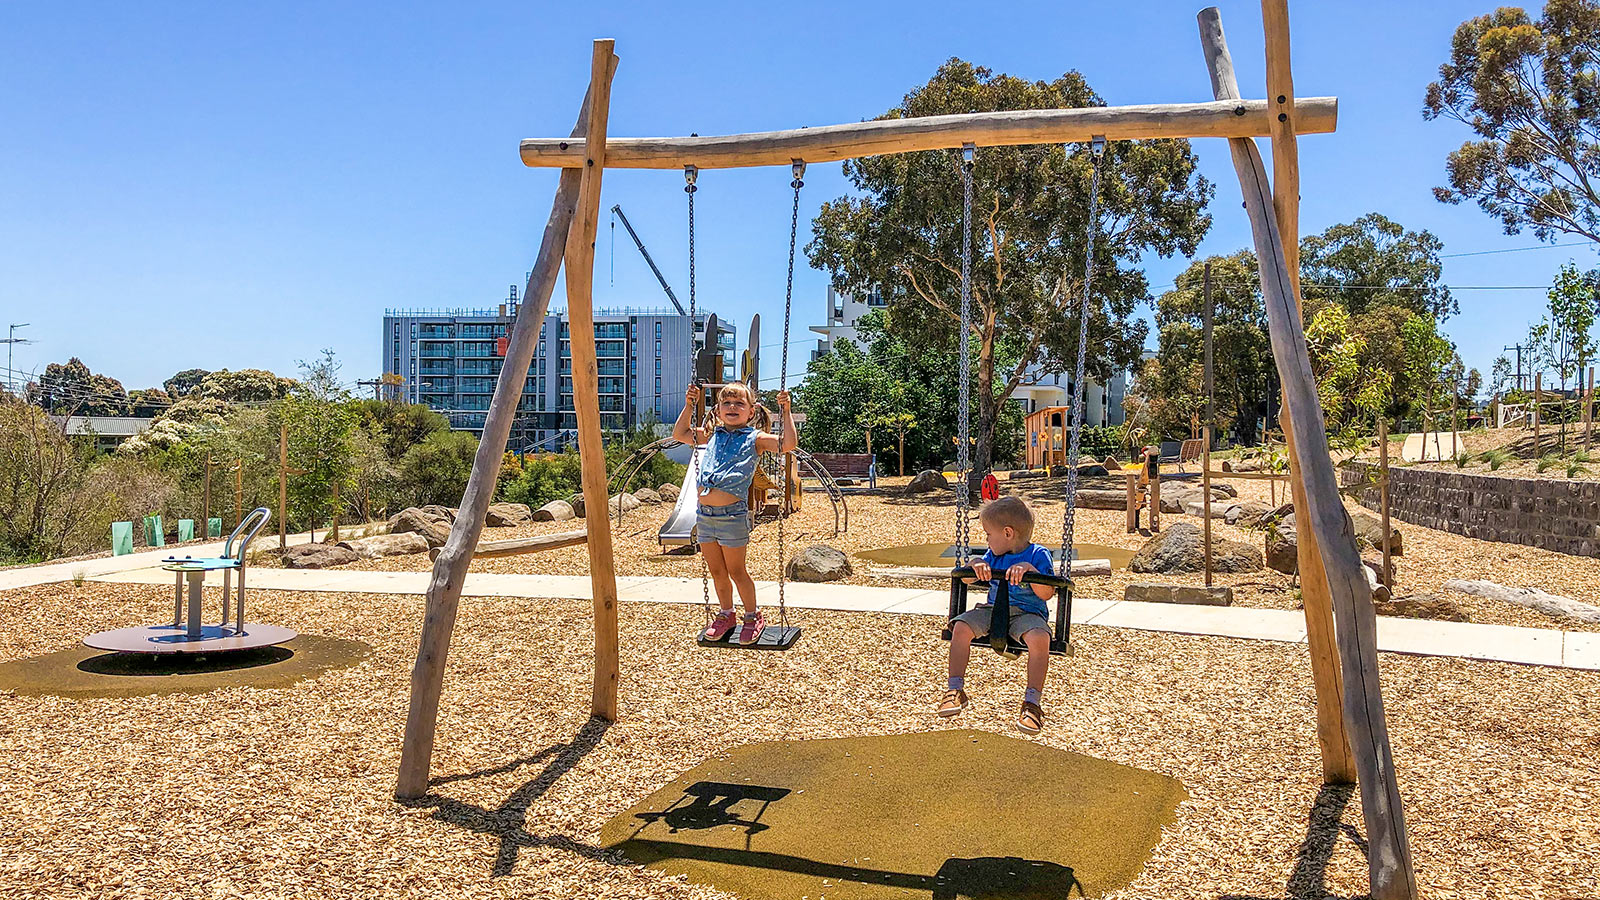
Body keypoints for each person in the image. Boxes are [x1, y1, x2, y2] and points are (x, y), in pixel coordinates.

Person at [672, 381, 797, 644]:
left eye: (739, 403)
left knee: (736, 570)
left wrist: (785, 411)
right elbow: (680, 432)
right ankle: (726, 614)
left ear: (751, 412)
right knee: (717, 571)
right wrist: (689, 404)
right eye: (726, 403)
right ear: (718, 410)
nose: (732, 407)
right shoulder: (712, 435)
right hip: (705, 515)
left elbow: (787, 444)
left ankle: (752, 616)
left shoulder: (756, 438)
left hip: (732, 515)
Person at [937, 495, 1057, 734]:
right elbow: (968, 578)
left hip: (1027, 614)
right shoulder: (993, 556)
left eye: (988, 534)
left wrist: (1031, 571)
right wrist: (975, 564)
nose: (987, 539)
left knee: (1040, 639)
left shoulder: (1038, 555)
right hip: (993, 611)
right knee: (960, 627)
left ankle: (1032, 703)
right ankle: (955, 689)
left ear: (1008, 533)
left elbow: (1047, 593)